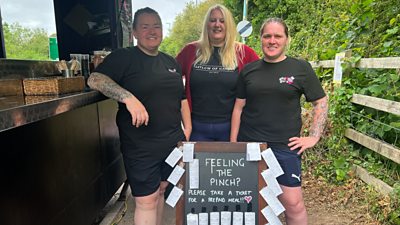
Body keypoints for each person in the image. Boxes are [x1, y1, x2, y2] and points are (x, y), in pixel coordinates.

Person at [87, 7, 191, 225]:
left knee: (161, 190)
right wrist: (128, 97)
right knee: (145, 200)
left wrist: (187, 128)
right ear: (134, 32)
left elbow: (181, 99)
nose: (152, 31)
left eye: (157, 26)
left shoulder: (170, 62)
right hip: (140, 145)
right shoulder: (123, 57)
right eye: (145, 26)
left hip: (172, 141)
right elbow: (95, 80)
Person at [230, 18, 328, 225]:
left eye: (278, 36)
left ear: (286, 40)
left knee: (293, 204)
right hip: (251, 146)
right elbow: (238, 108)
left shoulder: (300, 68)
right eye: (267, 36)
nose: (272, 40)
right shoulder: (249, 70)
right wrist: (233, 145)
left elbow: (320, 101)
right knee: (252, 203)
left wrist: (313, 136)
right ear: (261, 39)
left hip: (285, 147)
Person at [176, 4, 259, 141]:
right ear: (206, 24)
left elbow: (263, 81)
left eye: (222, 20)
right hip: (196, 129)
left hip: (231, 131)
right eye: (212, 20)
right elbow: (168, 78)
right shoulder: (190, 51)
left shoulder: (244, 53)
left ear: (229, 25)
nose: (217, 24)